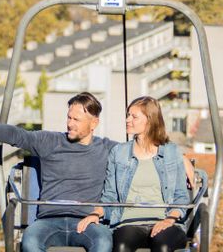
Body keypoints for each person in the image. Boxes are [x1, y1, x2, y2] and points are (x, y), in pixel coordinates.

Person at [0, 92, 115, 252]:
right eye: (69, 118)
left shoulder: (107, 149)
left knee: (103, 241)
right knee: (30, 241)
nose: (70, 124)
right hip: (49, 221)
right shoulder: (51, 142)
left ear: (94, 123)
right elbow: (18, 135)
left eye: (76, 120)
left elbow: (137, 151)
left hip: (86, 221)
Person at [77, 96, 189, 252]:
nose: (127, 120)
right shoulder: (119, 153)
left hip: (166, 221)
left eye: (134, 116)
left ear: (150, 120)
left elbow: (181, 197)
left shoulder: (171, 152)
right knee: (122, 246)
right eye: (127, 115)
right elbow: (110, 196)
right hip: (129, 222)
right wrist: (96, 213)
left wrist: (169, 220)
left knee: (162, 246)